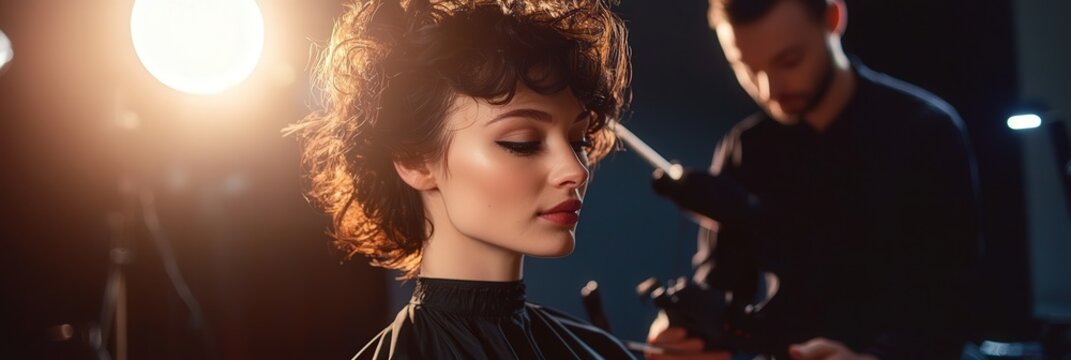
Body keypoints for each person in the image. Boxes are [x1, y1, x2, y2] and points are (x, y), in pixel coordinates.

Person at [287, 0, 634, 358]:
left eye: (578, 142)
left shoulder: (601, 351)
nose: (576, 170)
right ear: (415, 161)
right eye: (523, 142)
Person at [646, 0, 981, 359]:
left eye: (789, 60)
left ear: (832, 19)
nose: (769, 89)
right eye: (746, 68)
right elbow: (718, 285)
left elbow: (947, 305)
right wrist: (684, 332)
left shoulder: (925, 132)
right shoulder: (745, 147)